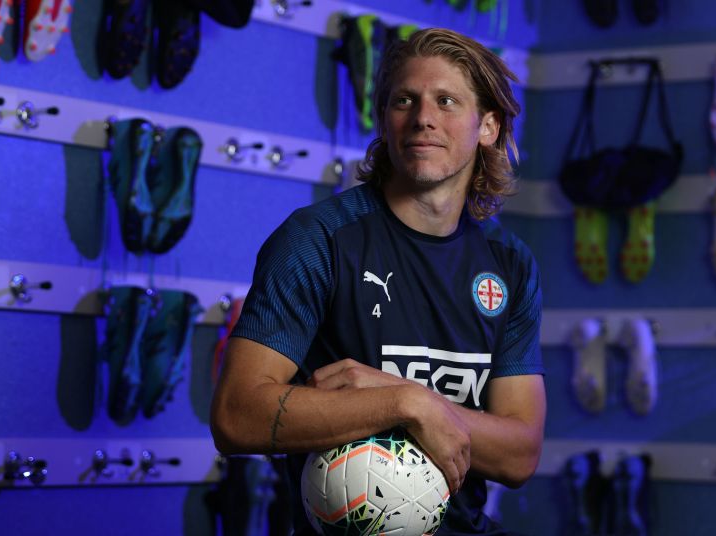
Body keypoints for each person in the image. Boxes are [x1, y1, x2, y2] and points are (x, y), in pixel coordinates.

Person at [211, 27, 546, 535]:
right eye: (404, 100)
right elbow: (236, 415)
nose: (423, 118)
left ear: (488, 126)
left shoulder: (510, 263)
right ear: (384, 120)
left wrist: (415, 400)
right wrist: (407, 404)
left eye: (447, 101)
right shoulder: (318, 239)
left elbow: (520, 453)